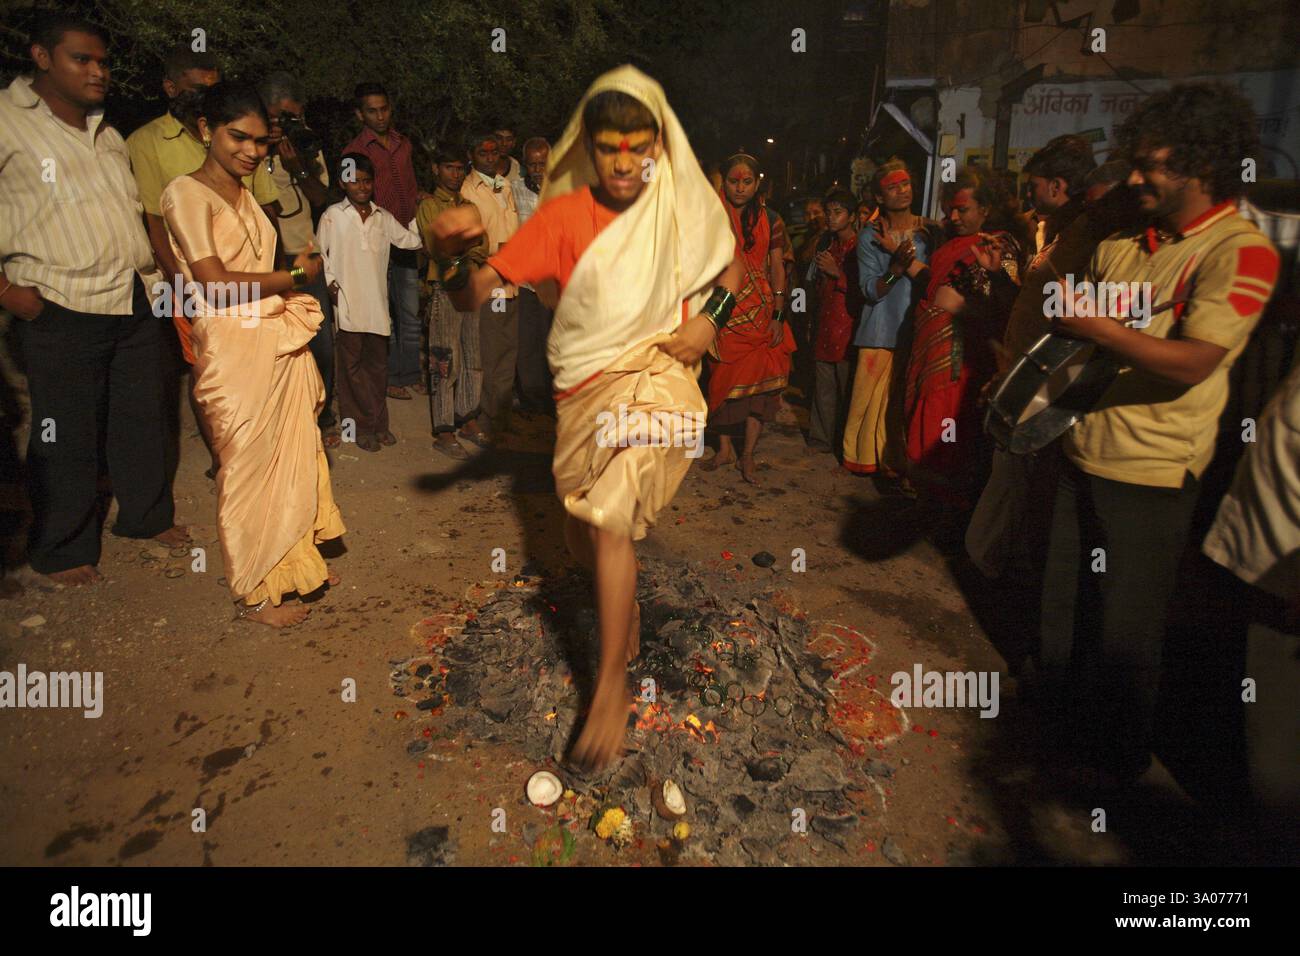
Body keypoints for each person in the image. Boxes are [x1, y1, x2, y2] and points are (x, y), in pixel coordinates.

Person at [427, 66, 742, 769]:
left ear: (658, 145)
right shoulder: (562, 218)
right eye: (609, 147)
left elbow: (733, 271)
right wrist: (451, 254)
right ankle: (615, 604)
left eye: (639, 145)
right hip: (582, 397)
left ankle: (609, 688)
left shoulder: (681, 204)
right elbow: (474, 295)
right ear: (590, 150)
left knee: (608, 518)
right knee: (582, 532)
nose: (625, 162)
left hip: (660, 379)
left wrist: (709, 324)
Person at [1037, 82, 1279, 789]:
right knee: (1067, 611)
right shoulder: (1124, 240)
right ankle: (1054, 735)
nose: (1135, 177)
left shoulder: (1241, 252)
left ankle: (1115, 770)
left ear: (1203, 166)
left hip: (1150, 474)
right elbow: (1083, 329)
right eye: (1134, 162)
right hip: (1082, 447)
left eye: (1153, 165)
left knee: (1124, 634)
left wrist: (1097, 326)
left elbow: (1195, 360)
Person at [0, 13, 187, 586]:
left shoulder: (106, 130)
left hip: (132, 294)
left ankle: (145, 517)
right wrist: (7, 291)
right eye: (82, 59)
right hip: (57, 301)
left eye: (103, 61)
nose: (98, 71)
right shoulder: (7, 123)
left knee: (144, 416)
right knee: (64, 428)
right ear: (40, 57)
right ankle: (62, 547)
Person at [160, 82, 345, 627]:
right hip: (232, 344)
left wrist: (291, 275)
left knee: (285, 458)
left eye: (260, 142)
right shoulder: (185, 193)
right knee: (245, 467)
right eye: (237, 137)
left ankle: (290, 566)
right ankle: (254, 591)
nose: (250, 150)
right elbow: (214, 284)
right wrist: (292, 275)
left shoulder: (247, 193)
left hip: (272, 333)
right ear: (204, 130)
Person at [127, 44, 281, 477]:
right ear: (171, 88)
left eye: (215, 88)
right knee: (213, 381)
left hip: (254, 295)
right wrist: (186, 290)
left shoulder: (244, 146)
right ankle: (225, 463)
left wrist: (273, 281)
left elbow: (263, 211)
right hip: (198, 290)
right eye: (198, 89)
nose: (208, 96)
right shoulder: (147, 143)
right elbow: (156, 225)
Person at [903, 167, 1027, 505]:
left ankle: (946, 509)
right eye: (950, 209)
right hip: (932, 348)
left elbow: (1008, 307)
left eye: (963, 209)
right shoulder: (950, 243)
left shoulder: (999, 246)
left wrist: (961, 309)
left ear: (986, 210)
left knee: (948, 431)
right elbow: (936, 283)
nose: (953, 216)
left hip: (961, 356)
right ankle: (930, 500)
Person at [842, 160, 943, 478]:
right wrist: (896, 268)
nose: (902, 191)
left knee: (901, 401)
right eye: (892, 187)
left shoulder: (929, 232)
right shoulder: (869, 236)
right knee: (866, 401)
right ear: (879, 198)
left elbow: (937, 279)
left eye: (906, 184)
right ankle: (860, 458)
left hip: (916, 328)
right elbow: (871, 291)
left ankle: (894, 460)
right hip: (880, 330)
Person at [318, 152, 422, 453]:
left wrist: (423, 215)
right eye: (354, 181)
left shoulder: (382, 217)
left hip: (377, 308)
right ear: (342, 183)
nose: (361, 187)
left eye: (366, 181)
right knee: (351, 373)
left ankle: (378, 425)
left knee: (377, 370)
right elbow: (318, 253)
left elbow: (410, 241)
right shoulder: (333, 216)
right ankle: (355, 429)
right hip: (348, 306)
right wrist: (330, 283)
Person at [703, 153, 797, 484]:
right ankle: (725, 450)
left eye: (747, 182)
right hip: (723, 310)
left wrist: (778, 313)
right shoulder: (710, 217)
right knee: (722, 382)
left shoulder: (771, 219)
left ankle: (748, 455)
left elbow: (777, 268)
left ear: (757, 183)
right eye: (733, 181)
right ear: (723, 182)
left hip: (760, 313)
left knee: (758, 390)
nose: (740, 188)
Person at [260, 72, 339, 447]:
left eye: (292, 116)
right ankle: (275, 422)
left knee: (319, 340)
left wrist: (299, 168)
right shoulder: (250, 143)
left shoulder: (306, 144)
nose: (286, 124)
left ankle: (320, 416)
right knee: (272, 345)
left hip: (305, 259)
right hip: (266, 261)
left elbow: (321, 196)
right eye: (280, 117)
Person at [344, 82, 423, 400]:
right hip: (375, 243)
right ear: (360, 114)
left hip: (406, 237)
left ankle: (410, 373)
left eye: (384, 109)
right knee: (382, 312)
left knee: (410, 310)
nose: (380, 116)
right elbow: (350, 196)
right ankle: (388, 377)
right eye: (372, 111)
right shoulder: (354, 151)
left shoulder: (403, 144)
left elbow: (412, 183)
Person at [416, 142, 489, 459]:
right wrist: (462, 244)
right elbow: (438, 247)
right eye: (449, 167)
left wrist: (461, 246)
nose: (455, 174)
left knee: (473, 356)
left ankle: (468, 417)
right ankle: (444, 429)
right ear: (436, 169)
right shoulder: (430, 205)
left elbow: (481, 248)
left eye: (460, 168)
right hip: (444, 289)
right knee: (444, 360)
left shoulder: (470, 205)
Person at [460, 130, 521, 442]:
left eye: (494, 152)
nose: (489, 157)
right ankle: (483, 417)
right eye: (483, 153)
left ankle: (501, 414)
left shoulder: (505, 185)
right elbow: (473, 241)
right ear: (472, 155)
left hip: (511, 281)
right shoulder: (469, 190)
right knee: (489, 349)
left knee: (508, 349)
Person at [807, 189, 863, 455]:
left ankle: (844, 444)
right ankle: (820, 439)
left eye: (837, 212)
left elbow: (866, 289)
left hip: (848, 325)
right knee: (823, 387)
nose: (831, 217)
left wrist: (835, 272)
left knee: (846, 389)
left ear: (851, 216)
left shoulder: (860, 247)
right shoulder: (827, 244)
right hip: (826, 323)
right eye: (828, 212)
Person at [512, 136, 556, 414]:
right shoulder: (514, 189)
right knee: (528, 344)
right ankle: (531, 401)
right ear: (525, 165)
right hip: (528, 283)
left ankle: (555, 402)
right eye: (533, 164)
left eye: (543, 163)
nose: (538, 169)